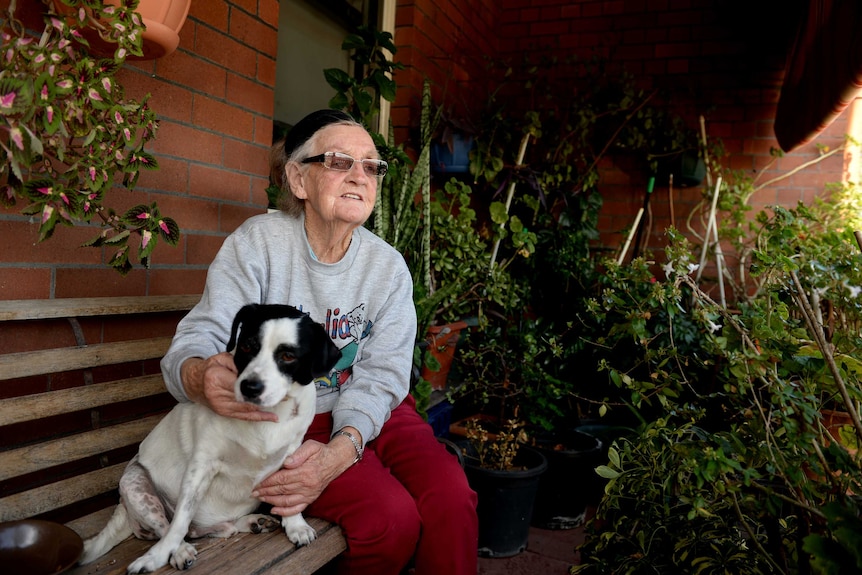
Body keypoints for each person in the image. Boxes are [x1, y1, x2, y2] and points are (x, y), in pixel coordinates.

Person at [160, 109, 479, 574]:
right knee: (388, 520)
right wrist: (197, 374)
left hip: (374, 408)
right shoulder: (258, 244)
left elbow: (385, 374)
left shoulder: (387, 268)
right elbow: (202, 334)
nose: (359, 175)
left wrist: (344, 446)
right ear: (298, 179)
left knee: (451, 497)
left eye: (371, 165)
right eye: (338, 161)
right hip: (286, 417)